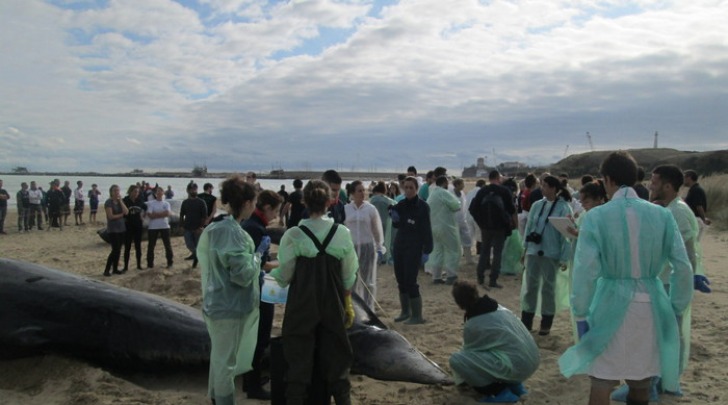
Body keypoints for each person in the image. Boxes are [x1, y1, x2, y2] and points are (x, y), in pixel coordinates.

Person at [558, 151, 693, 405]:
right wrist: (676, 306)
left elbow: (585, 271)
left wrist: (581, 313)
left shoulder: (596, 217)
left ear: (607, 179)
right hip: (652, 303)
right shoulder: (662, 215)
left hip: (610, 302)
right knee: (641, 382)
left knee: (601, 380)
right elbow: (682, 266)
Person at [270, 179, 358, 405]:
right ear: (330, 201)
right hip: (333, 300)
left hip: (302, 302)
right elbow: (349, 274)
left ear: (304, 201)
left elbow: (285, 274)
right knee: (338, 360)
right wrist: (347, 302)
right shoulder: (342, 233)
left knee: (298, 361)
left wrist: (270, 273)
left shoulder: (293, 235)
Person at [197, 175, 262, 405]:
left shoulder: (216, 227)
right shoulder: (234, 232)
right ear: (245, 203)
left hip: (216, 302)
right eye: (254, 202)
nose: (255, 207)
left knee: (219, 358)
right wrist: (258, 257)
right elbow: (242, 274)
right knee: (227, 364)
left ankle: (215, 398)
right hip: (231, 307)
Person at [449, 281, 540, 403]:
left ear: (459, 303)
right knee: (497, 351)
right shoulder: (501, 309)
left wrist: (461, 380)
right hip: (532, 359)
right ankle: (515, 386)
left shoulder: (473, 324)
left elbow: (470, 354)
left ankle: (500, 393)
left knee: (456, 359)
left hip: (516, 367)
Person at [241, 189, 283, 401]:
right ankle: (253, 385)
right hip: (256, 290)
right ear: (266, 208)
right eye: (275, 211)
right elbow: (259, 263)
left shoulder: (252, 225)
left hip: (255, 287)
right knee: (259, 338)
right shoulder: (254, 228)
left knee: (254, 337)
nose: (276, 216)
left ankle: (250, 380)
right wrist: (281, 263)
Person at [520, 175, 573, 336]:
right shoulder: (537, 205)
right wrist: (525, 249)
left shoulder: (564, 207)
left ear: (554, 188)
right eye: (541, 185)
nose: (542, 188)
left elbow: (567, 235)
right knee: (530, 287)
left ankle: (546, 323)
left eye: (545, 186)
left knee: (548, 289)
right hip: (534, 251)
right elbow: (529, 227)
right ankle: (526, 322)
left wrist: (564, 258)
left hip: (551, 253)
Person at [390, 176, 433, 324]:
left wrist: (427, 249)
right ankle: (405, 311)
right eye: (406, 187)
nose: (408, 190)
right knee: (400, 279)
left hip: (414, 247)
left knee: (410, 280)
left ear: (416, 189)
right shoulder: (401, 205)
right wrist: (394, 218)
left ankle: (417, 315)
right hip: (400, 245)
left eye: (411, 188)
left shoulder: (422, 206)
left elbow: (427, 229)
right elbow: (397, 224)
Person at [469, 170, 517, 288]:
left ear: (489, 178)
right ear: (498, 178)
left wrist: (481, 222)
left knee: (484, 251)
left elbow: (473, 208)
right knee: (497, 253)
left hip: (485, 227)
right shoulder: (504, 191)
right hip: (500, 227)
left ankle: (480, 277)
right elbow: (511, 209)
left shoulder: (482, 190)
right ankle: (493, 280)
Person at [344, 180, 386, 311]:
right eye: (359, 191)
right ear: (352, 193)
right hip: (351, 248)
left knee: (368, 280)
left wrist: (379, 246)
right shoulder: (346, 209)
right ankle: (353, 308)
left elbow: (376, 229)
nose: (363, 193)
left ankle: (369, 308)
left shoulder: (370, 209)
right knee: (352, 279)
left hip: (368, 246)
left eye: (364, 190)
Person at [426, 175, 462, 285]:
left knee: (437, 251)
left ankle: (436, 276)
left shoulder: (432, 194)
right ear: (445, 183)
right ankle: (451, 275)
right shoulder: (443, 193)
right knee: (452, 250)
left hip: (433, 227)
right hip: (446, 227)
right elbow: (456, 205)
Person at [180, 183, 208, 268]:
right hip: (187, 227)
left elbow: (204, 216)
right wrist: (181, 225)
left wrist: (200, 227)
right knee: (189, 245)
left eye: (195, 189)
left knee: (197, 245)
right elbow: (182, 214)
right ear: (188, 191)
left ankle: (195, 264)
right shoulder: (185, 202)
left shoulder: (201, 202)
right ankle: (198, 256)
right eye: (192, 189)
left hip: (197, 228)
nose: (193, 191)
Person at [103, 185, 129, 277]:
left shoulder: (119, 202)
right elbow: (110, 216)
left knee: (118, 250)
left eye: (118, 190)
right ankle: (107, 269)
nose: (116, 192)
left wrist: (120, 201)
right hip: (113, 229)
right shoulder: (108, 202)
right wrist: (121, 215)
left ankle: (115, 269)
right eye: (114, 191)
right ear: (111, 192)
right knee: (115, 250)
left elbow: (126, 212)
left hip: (121, 228)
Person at [146, 186, 174, 269]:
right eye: (157, 192)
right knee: (151, 246)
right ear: (155, 193)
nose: (159, 193)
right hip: (153, 227)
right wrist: (162, 214)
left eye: (160, 192)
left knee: (167, 245)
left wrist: (156, 214)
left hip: (164, 226)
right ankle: (150, 264)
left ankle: (170, 263)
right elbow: (150, 215)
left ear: (163, 193)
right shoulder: (151, 203)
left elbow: (168, 213)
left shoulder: (166, 203)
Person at [369, 181, 396, 265]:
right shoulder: (387, 200)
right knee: (384, 241)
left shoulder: (372, 200)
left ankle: (376, 258)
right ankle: (383, 258)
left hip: (374, 223)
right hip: (385, 222)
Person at [122, 185, 146, 271]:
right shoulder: (125, 200)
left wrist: (143, 216)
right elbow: (121, 211)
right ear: (130, 191)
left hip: (138, 226)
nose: (136, 193)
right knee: (127, 247)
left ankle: (139, 265)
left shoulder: (140, 201)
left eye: (138, 192)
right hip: (128, 226)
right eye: (135, 191)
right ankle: (125, 267)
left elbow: (146, 208)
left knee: (138, 246)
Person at [683, 169, 711, 240]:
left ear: (689, 178)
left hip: (696, 220)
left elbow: (699, 206)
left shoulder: (696, 190)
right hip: (694, 220)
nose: (683, 180)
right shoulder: (693, 189)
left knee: (693, 244)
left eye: (684, 177)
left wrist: (703, 219)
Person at [452, 178, 474, 265]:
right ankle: (455, 260)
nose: (463, 186)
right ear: (457, 185)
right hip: (454, 220)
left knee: (467, 239)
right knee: (455, 241)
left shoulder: (462, 193)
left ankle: (469, 259)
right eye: (462, 184)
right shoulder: (451, 194)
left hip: (462, 219)